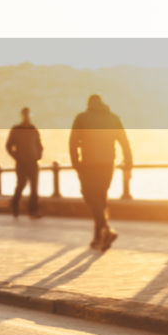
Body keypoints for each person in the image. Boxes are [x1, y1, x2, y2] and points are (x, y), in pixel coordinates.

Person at [68, 95, 131, 251]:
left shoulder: (81, 118)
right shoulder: (113, 118)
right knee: (101, 198)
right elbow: (124, 142)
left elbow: (72, 142)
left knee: (91, 196)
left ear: (89, 104)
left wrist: (76, 164)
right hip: (107, 165)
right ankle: (98, 237)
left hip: (88, 165)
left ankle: (106, 230)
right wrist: (128, 164)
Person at [5, 107, 43, 219]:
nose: (27, 116)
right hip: (21, 163)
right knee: (21, 184)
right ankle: (15, 203)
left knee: (34, 187)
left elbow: (39, 145)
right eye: (25, 114)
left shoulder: (33, 129)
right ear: (22, 115)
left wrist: (39, 155)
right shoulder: (16, 129)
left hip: (33, 162)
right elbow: (8, 146)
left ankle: (33, 211)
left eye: (28, 114)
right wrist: (17, 157)